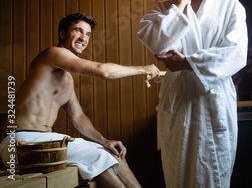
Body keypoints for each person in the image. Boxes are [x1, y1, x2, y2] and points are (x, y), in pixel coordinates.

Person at [0, 13, 160, 188]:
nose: (83, 38)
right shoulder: (53, 54)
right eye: (78, 31)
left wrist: (105, 141)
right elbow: (103, 71)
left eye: (88, 34)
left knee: (110, 153)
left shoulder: (66, 78)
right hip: (19, 142)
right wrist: (143, 69)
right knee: (99, 157)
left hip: (43, 141)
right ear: (62, 34)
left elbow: (77, 117)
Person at [137, 0, 248, 187]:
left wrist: (187, 62)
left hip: (213, 99)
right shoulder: (166, 8)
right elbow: (156, 42)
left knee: (214, 174)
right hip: (179, 101)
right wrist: (181, 2)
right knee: (179, 174)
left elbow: (235, 52)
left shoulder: (230, 5)